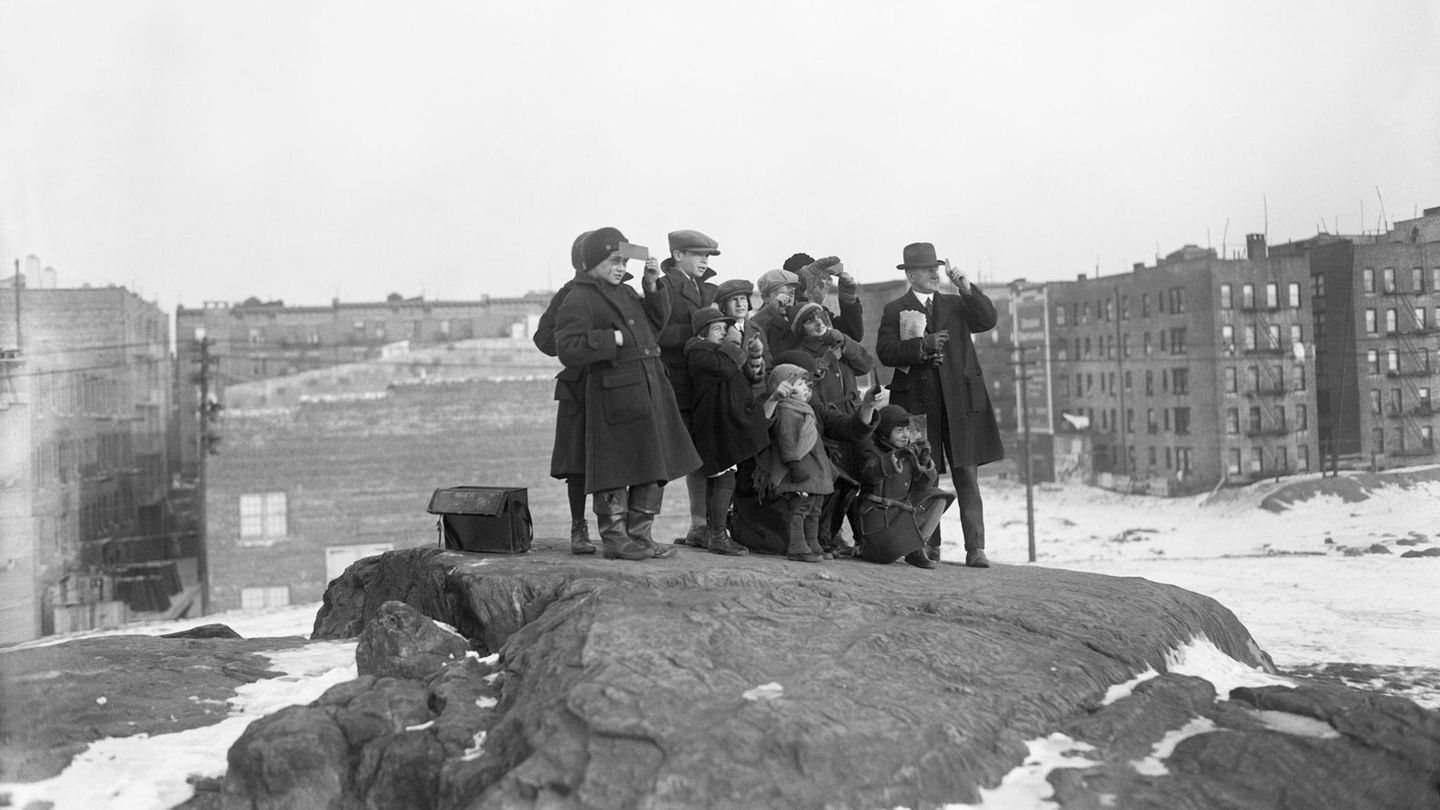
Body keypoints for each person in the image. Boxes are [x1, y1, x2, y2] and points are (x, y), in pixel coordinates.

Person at [555, 227, 702, 561]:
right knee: (614, 467)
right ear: (593, 262)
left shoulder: (624, 292)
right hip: (613, 392)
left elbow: (654, 326)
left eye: (623, 261)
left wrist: (651, 285)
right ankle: (616, 539)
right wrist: (610, 341)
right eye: (613, 261)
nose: (621, 267)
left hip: (649, 385)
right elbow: (567, 349)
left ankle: (640, 535)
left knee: (654, 462)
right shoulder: (578, 298)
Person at [875, 242, 1004, 568]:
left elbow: (988, 319)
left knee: (967, 476)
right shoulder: (895, 309)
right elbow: (886, 352)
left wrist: (966, 288)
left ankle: (976, 549)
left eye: (937, 267)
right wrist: (922, 346)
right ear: (911, 274)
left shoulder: (956, 304)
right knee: (923, 475)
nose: (935, 272)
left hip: (960, 403)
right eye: (927, 268)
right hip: (917, 406)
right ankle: (928, 546)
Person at [752, 361, 881, 562]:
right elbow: (786, 440)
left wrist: (867, 407)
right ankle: (798, 545)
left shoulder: (808, 409)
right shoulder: (783, 410)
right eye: (801, 384)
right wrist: (795, 465)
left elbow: (848, 428)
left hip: (813, 472)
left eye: (807, 384)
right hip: (794, 476)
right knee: (801, 509)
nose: (808, 389)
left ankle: (813, 543)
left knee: (813, 509)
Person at [785, 305, 874, 554]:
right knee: (830, 485)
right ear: (799, 329)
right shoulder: (799, 354)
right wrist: (824, 361)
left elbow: (866, 364)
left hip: (853, 417)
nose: (818, 322)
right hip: (827, 425)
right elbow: (800, 386)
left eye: (821, 317)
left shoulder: (839, 344)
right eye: (809, 320)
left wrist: (846, 343)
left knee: (857, 481)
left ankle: (845, 535)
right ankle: (825, 536)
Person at [655, 230, 722, 550]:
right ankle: (636, 526)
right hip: (676, 384)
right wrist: (703, 332)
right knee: (669, 457)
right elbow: (659, 332)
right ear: (678, 255)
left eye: (707, 255)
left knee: (701, 457)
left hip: (701, 384)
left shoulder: (707, 288)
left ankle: (700, 525)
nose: (705, 260)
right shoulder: (664, 286)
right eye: (698, 254)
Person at [684, 305, 770, 555]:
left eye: (726, 329)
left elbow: (750, 378)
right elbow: (723, 367)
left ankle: (710, 531)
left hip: (726, 422)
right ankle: (718, 536)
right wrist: (734, 342)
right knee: (725, 478)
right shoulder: (698, 353)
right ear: (702, 334)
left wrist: (754, 355)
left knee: (722, 477)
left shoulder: (721, 352)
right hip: (715, 424)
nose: (724, 333)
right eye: (717, 329)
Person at [533, 231, 597, 554]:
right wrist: (573, 344)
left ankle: (617, 529)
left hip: (610, 385)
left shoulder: (617, 291)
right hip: (577, 386)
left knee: (615, 455)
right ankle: (578, 527)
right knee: (576, 462)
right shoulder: (568, 294)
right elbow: (542, 337)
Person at [854, 405, 956, 568]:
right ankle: (906, 548)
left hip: (899, 517)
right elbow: (870, 476)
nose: (905, 435)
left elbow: (922, 486)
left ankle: (916, 549)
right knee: (884, 548)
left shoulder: (908, 453)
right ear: (886, 432)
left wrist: (924, 461)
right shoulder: (872, 452)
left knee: (938, 497)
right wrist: (895, 457)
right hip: (879, 524)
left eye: (908, 430)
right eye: (899, 430)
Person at [783, 252, 865, 343]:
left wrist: (848, 298)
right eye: (810, 280)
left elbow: (853, 335)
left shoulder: (820, 312)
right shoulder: (782, 312)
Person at [713, 278, 768, 394]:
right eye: (734, 300)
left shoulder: (756, 330)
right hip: (732, 395)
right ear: (723, 306)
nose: (739, 304)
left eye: (743, 299)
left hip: (757, 395)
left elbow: (768, 363)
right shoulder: (718, 331)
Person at [750, 268, 802, 358]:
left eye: (792, 293)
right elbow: (752, 331)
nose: (788, 299)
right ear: (766, 298)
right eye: (782, 294)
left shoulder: (799, 313)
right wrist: (772, 309)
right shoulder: (760, 321)